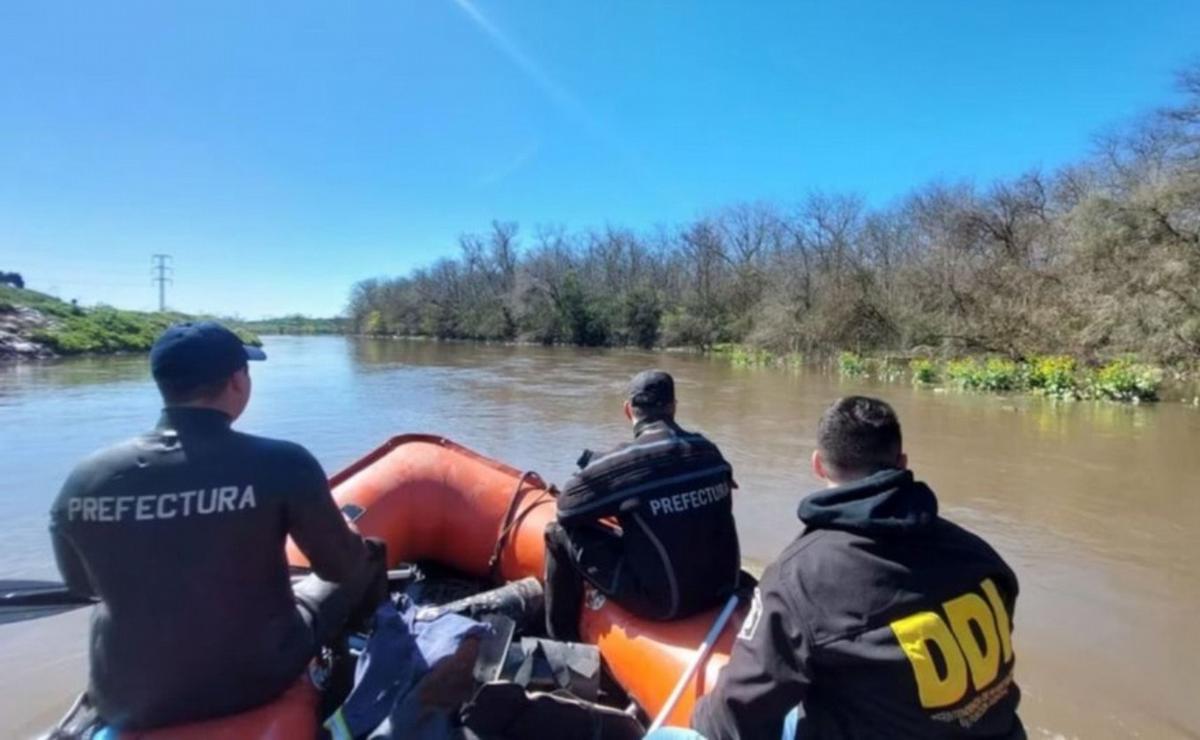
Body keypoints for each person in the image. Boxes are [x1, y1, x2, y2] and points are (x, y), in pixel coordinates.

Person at [49, 321, 387, 730]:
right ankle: (365, 654)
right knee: (368, 555)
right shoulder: (284, 463)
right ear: (237, 381)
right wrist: (349, 539)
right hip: (256, 679)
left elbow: (84, 587)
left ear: (162, 383)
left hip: (125, 694)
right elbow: (339, 568)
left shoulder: (85, 479)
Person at [690, 396, 1023, 739]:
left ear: (818, 464)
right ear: (902, 462)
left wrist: (699, 718)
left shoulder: (799, 579)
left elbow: (733, 718)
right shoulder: (978, 554)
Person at [544, 370, 741, 641]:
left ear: (628, 410)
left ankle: (561, 641)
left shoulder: (626, 462)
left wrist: (607, 479)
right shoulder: (709, 449)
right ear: (673, 407)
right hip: (723, 589)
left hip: (668, 604)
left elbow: (566, 510)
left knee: (557, 534)